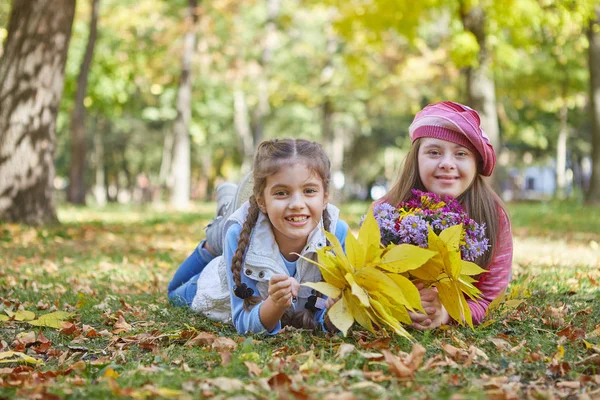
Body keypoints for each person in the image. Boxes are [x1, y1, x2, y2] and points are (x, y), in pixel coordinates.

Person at [167, 138, 349, 335]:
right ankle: (213, 243)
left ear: (325, 197)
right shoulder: (237, 237)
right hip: (223, 278)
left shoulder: (337, 233)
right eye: (281, 192)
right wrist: (274, 305)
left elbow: (325, 317)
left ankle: (226, 212)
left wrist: (335, 313)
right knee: (173, 295)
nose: (297, 203)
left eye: (309, 191)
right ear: (262, 201)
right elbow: (244, 322)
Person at [380, 101, 513, 330]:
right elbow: (369, 282)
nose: (447, 164)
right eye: (434, 152)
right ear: (416, 157)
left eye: (461, 154)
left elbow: (489, 299)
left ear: (476, 163)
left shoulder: (492, 217)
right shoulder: (386, 212)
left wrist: (447, 314)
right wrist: (398, 305)